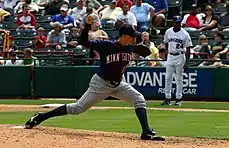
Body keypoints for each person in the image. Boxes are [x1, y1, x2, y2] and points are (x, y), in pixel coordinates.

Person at [24, 19, 165, 141]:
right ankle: (40, 117)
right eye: (132, 36)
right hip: (100, 84)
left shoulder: (130, 47)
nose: (134, 38)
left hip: (118, 84)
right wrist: (86, 26)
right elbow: (83, 41)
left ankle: (146, 132)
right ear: (123, 36)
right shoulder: (107, 45)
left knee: (139, 98)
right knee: (77, 108)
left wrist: (140, 45)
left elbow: (142, 45)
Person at [161, 16, 192, 106]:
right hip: (170, 56)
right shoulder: (168, 31)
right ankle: (167, 98)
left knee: (179, 79)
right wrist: (167, 51)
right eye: (176, 22)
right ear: (173, 22)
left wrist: (186, 63)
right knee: (168, 78)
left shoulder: (185, 34)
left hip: (180, 56)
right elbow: (166, 42)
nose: (177, 24)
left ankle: (178, 99)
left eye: (179, 22)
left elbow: (188, 48)